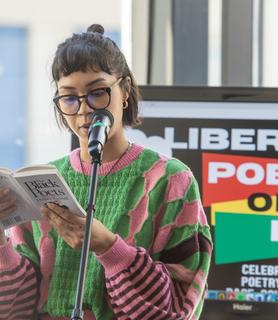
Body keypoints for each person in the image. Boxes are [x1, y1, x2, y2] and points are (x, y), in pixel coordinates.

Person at [0, 24, 212, 320]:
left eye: (97, 93)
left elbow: (179, 308)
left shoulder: (170, 180)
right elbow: (15, 310)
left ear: (124, 91)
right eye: (69, 98)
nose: (84, 110)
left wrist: (108, 247)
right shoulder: (41, 182)